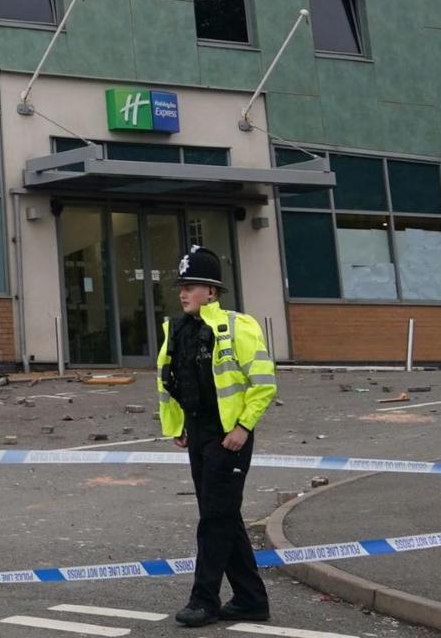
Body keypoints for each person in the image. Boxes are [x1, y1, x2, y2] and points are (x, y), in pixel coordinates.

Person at [158, 245, 278, 627]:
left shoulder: (238, 327)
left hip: (229, 437)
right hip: (197, 433)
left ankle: (204, 600)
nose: (183, 292)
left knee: (214, 518)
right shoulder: (175, 330)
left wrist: (243, 427)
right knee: (222, 515)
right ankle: (250, 599)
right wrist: (178, 426)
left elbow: (263, 384)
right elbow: (169, 383)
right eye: (181, 286)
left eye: (191, 286)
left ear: (211, 291)